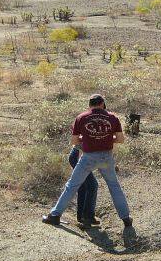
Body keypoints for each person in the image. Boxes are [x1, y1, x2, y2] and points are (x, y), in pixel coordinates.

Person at [42, 94, 132, 228]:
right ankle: (126, 219)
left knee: (72, 186)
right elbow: (120, 139)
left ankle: (55, 215)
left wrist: (89, 139)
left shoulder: (81, 117)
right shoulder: (112, 117)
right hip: (106, 157)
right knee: (114, 186)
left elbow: (74, 141)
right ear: (102, 103)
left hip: (88, 157)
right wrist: (106, 139)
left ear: (90, 105)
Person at [67, 145, 99, 227]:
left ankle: (81, 216)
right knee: (92, 185)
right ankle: (87, 217)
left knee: (84, 187)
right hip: (79, 156)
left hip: (80, 156)